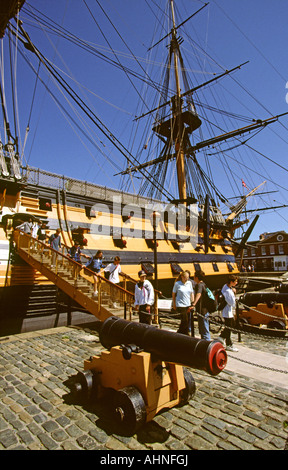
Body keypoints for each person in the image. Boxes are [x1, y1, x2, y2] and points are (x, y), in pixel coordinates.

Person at [218, 274, 239, 352]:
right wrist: (234, 293)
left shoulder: (226, 287)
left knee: (229, 326)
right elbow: (232, 302)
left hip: (228, 311)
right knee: (229, 328)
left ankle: (221, 337)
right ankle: (229, 344)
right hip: (227, 312)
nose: (236, 283)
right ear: (231, 282)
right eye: (235, 282)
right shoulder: (228, 291)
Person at [172, 271, 194, 335]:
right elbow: (173, 294)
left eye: (188, 278)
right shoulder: (177, 284)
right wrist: (174, 304)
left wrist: (192, 302)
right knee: (185, 320)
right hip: (180, 304)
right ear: (182, 277)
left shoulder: (189, 283)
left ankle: (181, 333)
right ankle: (183, 333)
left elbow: (191, 293)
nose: (187, 279)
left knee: (187, 321)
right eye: (185, 278)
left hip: (188, 304)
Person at [191, 270, 211, 341]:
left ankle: (207, 344)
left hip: (202, 310)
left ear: (196, 277)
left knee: (204, 329)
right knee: (203, 328)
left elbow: (198, 294)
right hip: (205, 309)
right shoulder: (204, 284)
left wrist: (194, 304)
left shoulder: (199, 285)